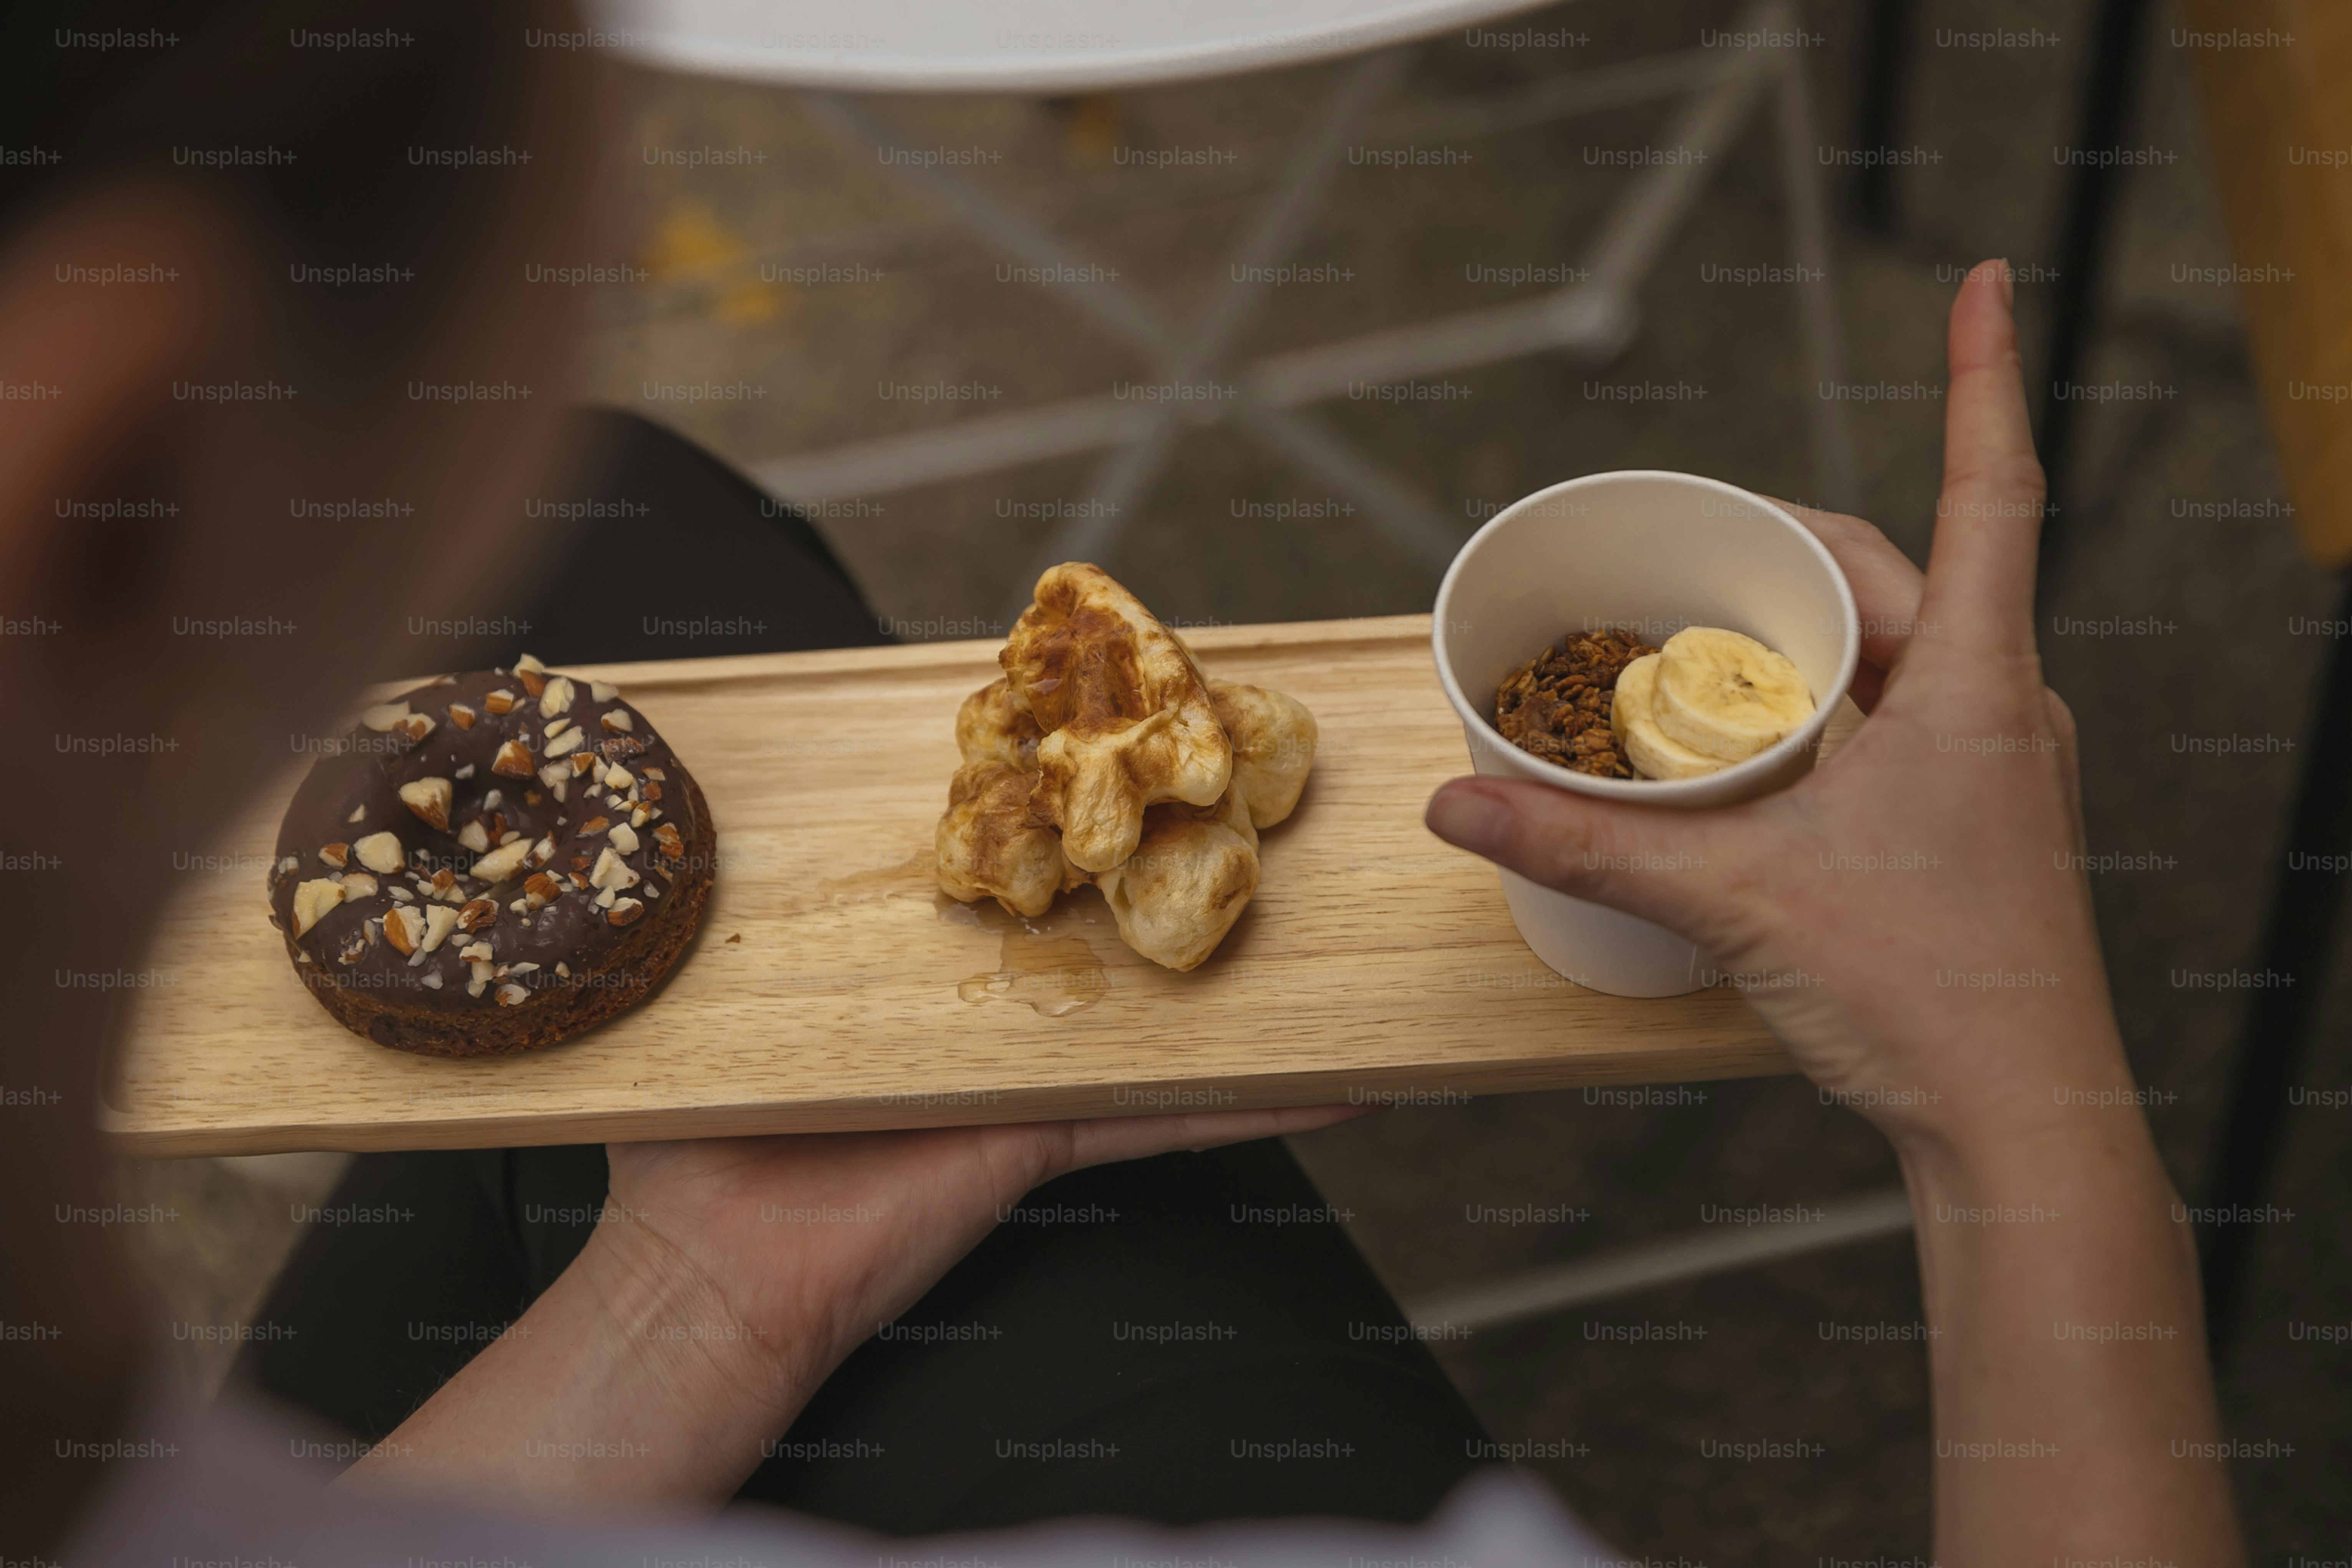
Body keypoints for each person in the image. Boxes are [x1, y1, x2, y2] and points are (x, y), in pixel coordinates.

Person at [0, 4, 2241, 1565]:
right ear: (124, 486)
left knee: (628, 522)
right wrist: (2022, 1087)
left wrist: (708, 1291)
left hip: (603, 1352)